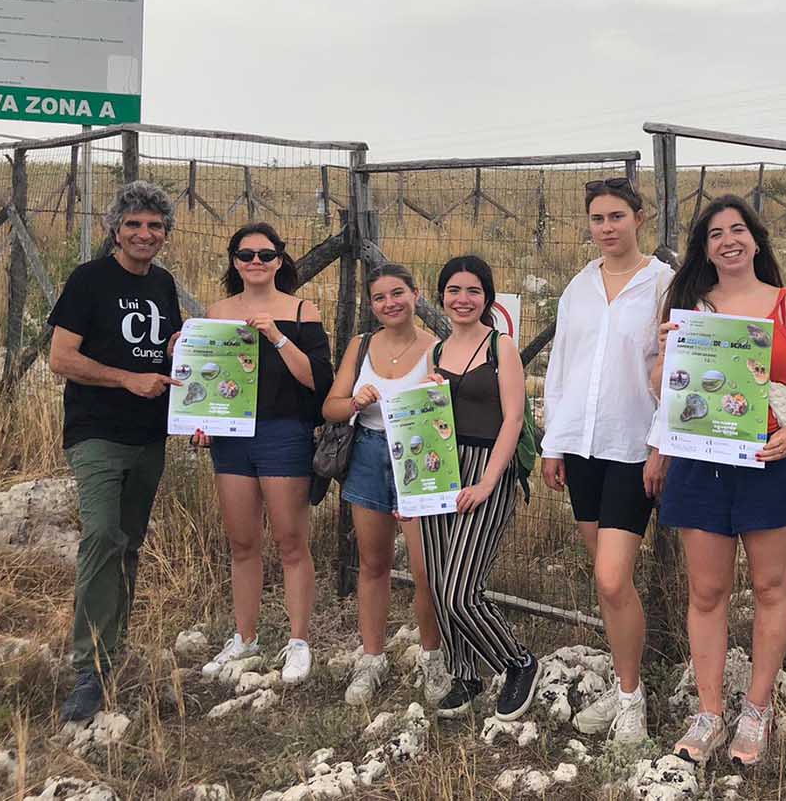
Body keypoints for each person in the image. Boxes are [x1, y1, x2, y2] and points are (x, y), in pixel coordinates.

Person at [645, 195, 786, 766]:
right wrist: (671, 351)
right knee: (706, 592)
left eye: (738, 229)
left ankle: (756, 710)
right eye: (715, 233)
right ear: (704, 248)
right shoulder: (688, 305)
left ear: (755, 239)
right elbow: (659, 386)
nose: (728, 240)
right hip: (701, 462)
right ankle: (709, 714)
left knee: (772, 588)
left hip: (770, 463)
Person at [540, 177, 674, 745]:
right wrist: (553, 440)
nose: (607, 227)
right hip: (582, 447)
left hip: (632, 445)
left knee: (613, 576)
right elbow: (562, 364)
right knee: (607, 579)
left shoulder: (665, 283)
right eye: (598, 219)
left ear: (639, 217)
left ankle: (632, 705)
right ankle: (626, 689)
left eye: (617, 216)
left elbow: (679, 368)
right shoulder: (578, 286)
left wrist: (661, 444)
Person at [48, 181, 183, 722]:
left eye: (154, 226)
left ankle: (110, 653)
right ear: (115, 230)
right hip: (97, 432)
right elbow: (61, 357)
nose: (144, 234)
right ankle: (89, 667)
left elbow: (165, 351)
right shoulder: (89, 280)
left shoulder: (165, 285)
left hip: (150, 436)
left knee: (127, 545)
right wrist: (126, 379)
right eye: (134, 225)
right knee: (101, 535)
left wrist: (183, 352)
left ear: (165, 234)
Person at [192, 223, 333, 686]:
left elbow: (318, 379)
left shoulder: (300, 310)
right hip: (232, 438)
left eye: (265, 255)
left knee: (291, 542)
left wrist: (275, 334)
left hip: (284, 433)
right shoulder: (218, 311)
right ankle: (245, 637)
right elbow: (208, 378)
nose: (256, 262)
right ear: (234, 260)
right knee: (242, 543)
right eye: (246, 254)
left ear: (280, 260)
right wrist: (201, 422)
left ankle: (297, 642)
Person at [323, 263, 450, 706]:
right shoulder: (360, 347)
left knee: (425, 569)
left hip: (420, 459)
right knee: (372, 563)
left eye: (398, 293)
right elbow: (331, 407)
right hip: (369, 455)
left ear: (416, 294)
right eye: (379, 297)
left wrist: (439, 392)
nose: (390, 303)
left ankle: (432, 656)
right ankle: (372, 657)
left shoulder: (438, 348)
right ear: (372, 304)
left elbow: (452, 417)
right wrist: (354, 402)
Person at [422, 255, 539, 721]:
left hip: (485, 466)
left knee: (460, 590)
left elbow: (513, 418)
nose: (462, 299)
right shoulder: (434, 352)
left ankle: (517, 662)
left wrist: (489, 481)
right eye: (453, 290)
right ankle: (464, 673)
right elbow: (423, 425)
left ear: (487, 297)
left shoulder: (500, 347)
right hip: (440, 469)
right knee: (436, 581)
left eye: (472, 290)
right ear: (442, 296)